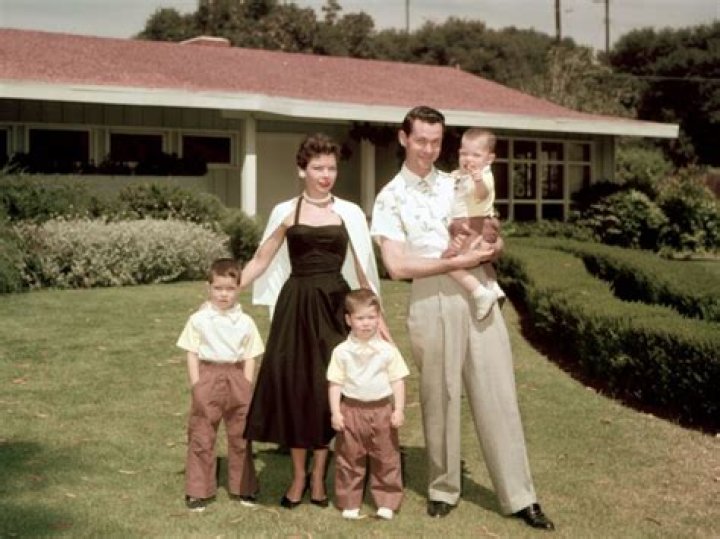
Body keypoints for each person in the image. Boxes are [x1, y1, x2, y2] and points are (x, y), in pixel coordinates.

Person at [370, 106, 554, 530]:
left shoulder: (459, 180)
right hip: (430, 298)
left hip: (479, 291)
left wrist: (492, 244)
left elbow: (492, 236)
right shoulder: (389, 197)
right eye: (421, 140)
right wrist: (456, 261)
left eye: (436, 142)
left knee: (498, 393)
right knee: (440, 395)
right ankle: (442, 488)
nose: (428, 149)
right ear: (403, 138)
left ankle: (520, 495)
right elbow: (397, 266)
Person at [242, 133, 382, 509]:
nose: (325, 175)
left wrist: (377, 319)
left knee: (328, 385)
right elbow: (261, 259)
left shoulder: (349, 213)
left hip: (334, 305)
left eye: (331, 168)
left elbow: (363, 270)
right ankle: (299, 476)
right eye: (318, 167)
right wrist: (228, 288)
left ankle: (319, 476)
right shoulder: (286, 211)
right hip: (296, 305)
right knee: (297, 388)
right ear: (301, 170)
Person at [176, 258, 265, 512]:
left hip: (236, 376)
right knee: (202, 433)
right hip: (208, 375)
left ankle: (243, 487)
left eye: (230, 289)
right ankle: (198, 490)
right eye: (218, 288)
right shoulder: (199, 319)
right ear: (209, 287)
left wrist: (246, 383)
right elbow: (192, 352)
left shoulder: (245, 321)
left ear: (238, 289)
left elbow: (250, 355)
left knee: (240, 434)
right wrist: (197, 384)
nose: (224, 294)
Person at [327, 288, 409, 521]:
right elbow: (335, 383)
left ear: (378, 318)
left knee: (386, 457)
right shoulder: (341, 352)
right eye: (360, 318)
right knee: (349, 457)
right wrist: (335, 412)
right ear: (348, 320)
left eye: (372, 317)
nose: (366, 323)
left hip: (382, 410)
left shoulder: (387, 351)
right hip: (351, 410)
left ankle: (387, 500)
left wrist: (398, 409)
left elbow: (397, 380)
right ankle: (349, 501)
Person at [445, 128, 506, 320]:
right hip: (477, 221)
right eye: (464, 153)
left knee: (449, 260)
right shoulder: (462, 175)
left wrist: (477, 180)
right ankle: (494, 287)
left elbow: (482, 194)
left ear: (489, 159)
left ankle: (480, 292)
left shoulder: (483, 176)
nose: (469, 159)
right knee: (482, 258)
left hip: (475, 222)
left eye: (476, 155)